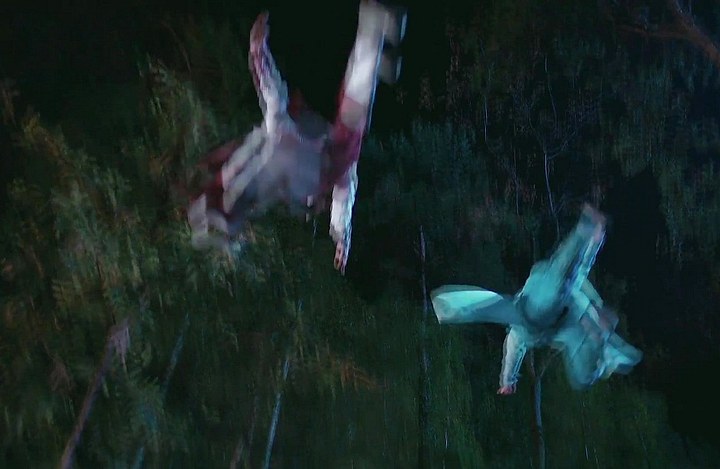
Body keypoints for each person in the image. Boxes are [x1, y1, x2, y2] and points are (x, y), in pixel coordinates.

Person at [187, 1, 407, 273]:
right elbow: (272, 94)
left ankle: (370, 44)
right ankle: (370, 44)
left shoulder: (285, 140)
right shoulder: (290, 142)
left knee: (343, 143)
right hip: (300, 163)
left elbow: (272, 95)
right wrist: (258, 51)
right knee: (344, 143)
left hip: (298, 163)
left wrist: (258, 51)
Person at [430, 204, 642, 395]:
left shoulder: (518, 332)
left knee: (582, 375)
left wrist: (507, 381)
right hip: (553, 316)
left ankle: (601, 341)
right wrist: (507, 380)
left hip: (553, 313)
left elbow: (578, 270)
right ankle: (600, 339)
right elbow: (577, 269)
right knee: (562, 285)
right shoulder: (519, 333)